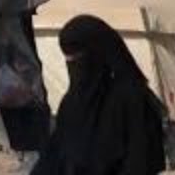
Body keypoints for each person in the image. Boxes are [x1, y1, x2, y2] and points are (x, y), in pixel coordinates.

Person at [33, 15, 166, 175]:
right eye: (68, 59)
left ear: (100, 53)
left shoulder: (132, 100)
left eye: (78, 57)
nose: (73, 66)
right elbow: (53, 157)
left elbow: (142, 162)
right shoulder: (72, 103)